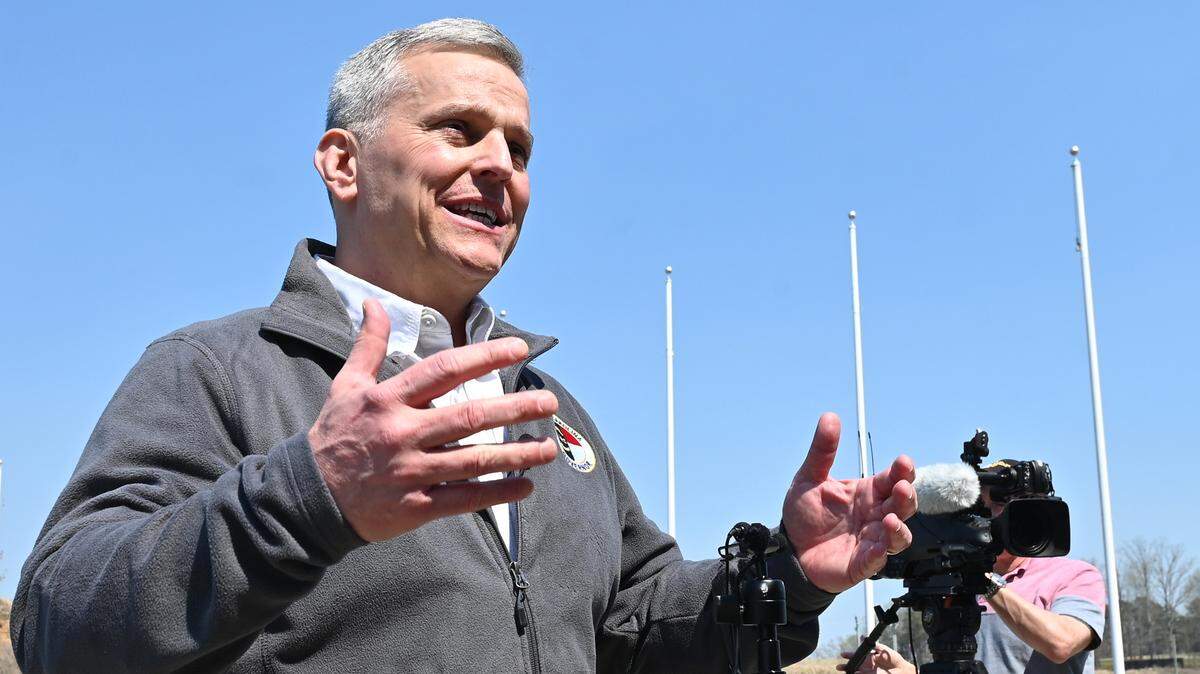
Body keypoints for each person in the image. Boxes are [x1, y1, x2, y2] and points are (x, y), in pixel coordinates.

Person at [11, 19, 918, 673]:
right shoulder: (214, 369)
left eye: (519, 149)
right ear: (343, 163)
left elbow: (636, 628)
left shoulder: (551, 411)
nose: (501, 168)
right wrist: (310, 494)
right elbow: (57, 625)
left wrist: (789, 579)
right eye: (459, 130)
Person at [841, 476, 1106, 674]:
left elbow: (1060, 644)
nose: (986, 518)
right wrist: (904, 670)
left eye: (997, 506)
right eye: (978, 509)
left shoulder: (1076, 575)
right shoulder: (956, 582)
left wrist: (984, 580)